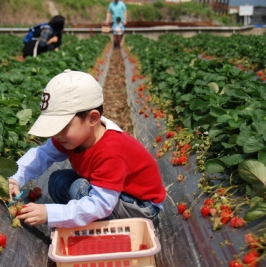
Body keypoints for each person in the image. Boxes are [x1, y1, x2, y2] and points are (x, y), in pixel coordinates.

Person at [9, 69, 166, 228]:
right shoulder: (70, 137)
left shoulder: (111, 150)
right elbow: (42, 155)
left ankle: (95, 224)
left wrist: (51, 213)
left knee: (79, 189)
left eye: (63, 126)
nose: (57, 134)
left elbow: (100, 203)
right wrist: (15, 178)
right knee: (58, 181)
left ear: (92, 118)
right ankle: (82, 217)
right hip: (115, 194)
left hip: (142, 207)